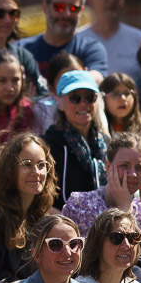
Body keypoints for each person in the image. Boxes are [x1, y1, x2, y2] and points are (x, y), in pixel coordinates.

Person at [60, 131, 141, 267]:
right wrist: (124, 210)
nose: (132, 174)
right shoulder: (79, 203)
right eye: (124, 166)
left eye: (139, 168)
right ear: (108, 166)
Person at [0, 132, 58, 282]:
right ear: (9, 170)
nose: (36, 172)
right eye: (27, 164)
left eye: (41, 165)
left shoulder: (41, 219)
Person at [44, 69, 110, 201]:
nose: (83, 103)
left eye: (90, 97)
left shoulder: (105, 142)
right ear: (59, 103)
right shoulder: (48, 146)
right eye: (75, 98)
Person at [23, 0, 107, 79]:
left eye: (73, 8)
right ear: (45, 7)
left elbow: (97, 78)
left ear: (81, 11)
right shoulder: (23, 49)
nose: (66, 14)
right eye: (59, 7)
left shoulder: (90, 49)